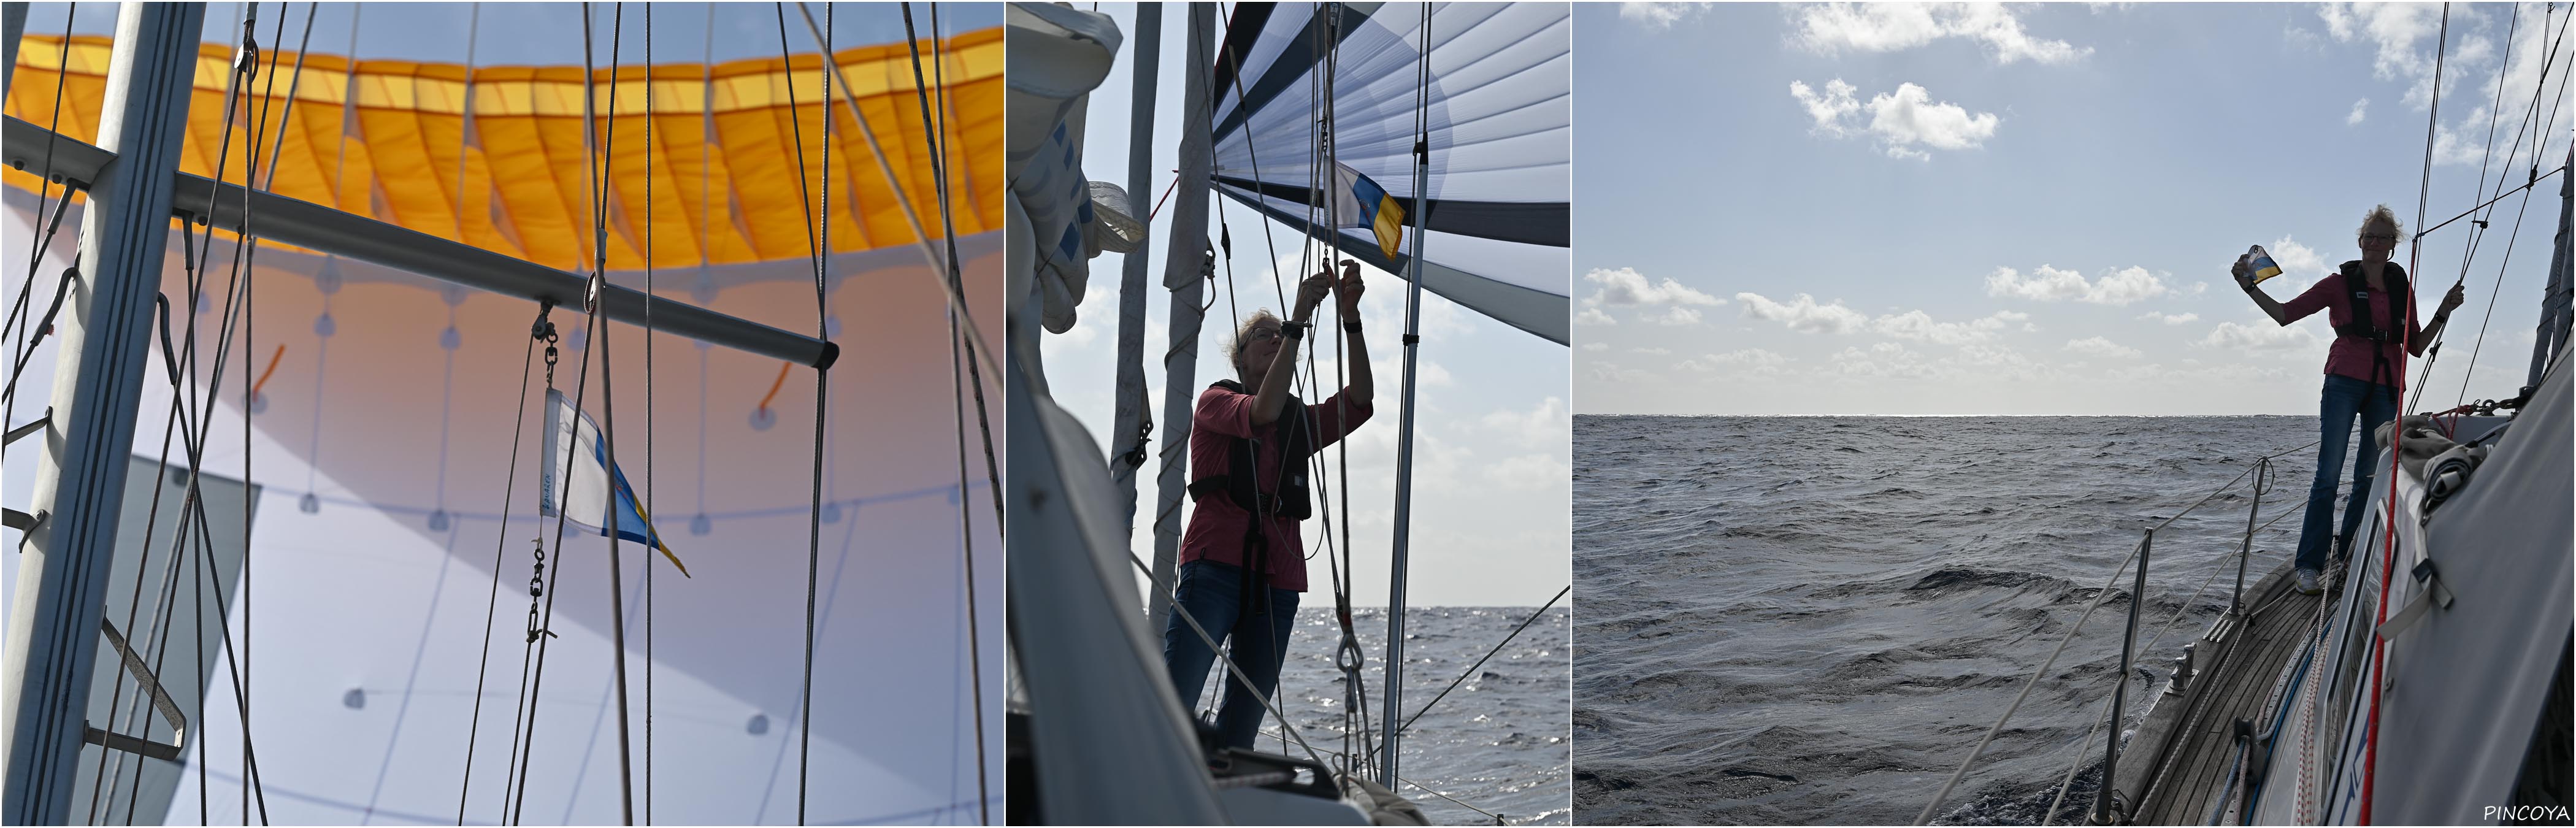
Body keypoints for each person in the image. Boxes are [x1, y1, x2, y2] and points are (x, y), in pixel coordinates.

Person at [1162, 259, 1374, 751]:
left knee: (1241, 731)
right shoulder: (1216, 401)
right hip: (1213, 570)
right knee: (1173, 705)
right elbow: (1261, 412)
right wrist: (1298, 317)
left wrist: (1350, 319)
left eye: (1282, 334)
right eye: (1265, 335)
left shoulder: (1299, 420)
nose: (1277, 337)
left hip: (1278, 583)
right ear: (1239, 359)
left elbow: (1361, 401)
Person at [2233, 204, 2463, 596]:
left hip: (2388, 385)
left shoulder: (2400, 288)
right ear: (2360, 242)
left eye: (2382, 237)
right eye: (2368, 237)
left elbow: (2417, 347)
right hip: (2343, 382)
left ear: (2394, 245)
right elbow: (2286, 315)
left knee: (2369, 478)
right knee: (2328, 475)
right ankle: (2309, 565)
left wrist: (2444, 310)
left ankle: (2349, 559)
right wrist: (2251, 288)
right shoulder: (2338, 284)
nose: (2374, 244)